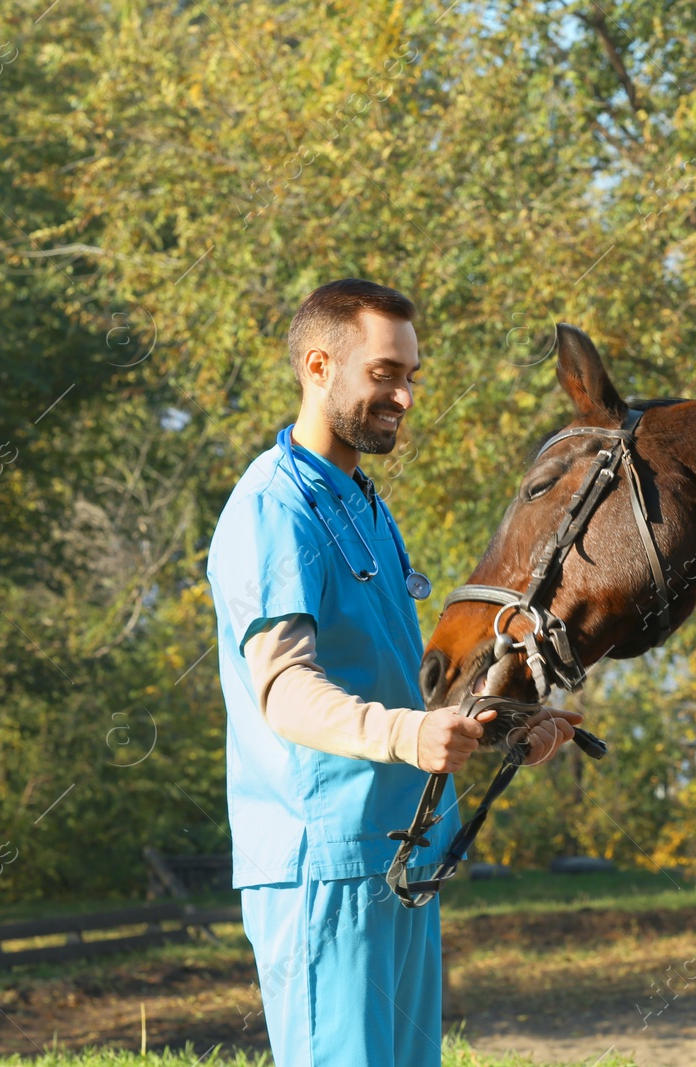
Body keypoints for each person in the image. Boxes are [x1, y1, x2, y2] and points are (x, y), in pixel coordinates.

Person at [206, 278, 582, 1066]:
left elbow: (396, 679)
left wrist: (505, 719)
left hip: (402, 851)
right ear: (318, 366)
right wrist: (408, 734)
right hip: (323, 866)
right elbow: (286, 691)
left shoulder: (367, 506)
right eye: (385, 373)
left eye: (411, 375)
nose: (406, 395)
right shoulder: (271, 507)